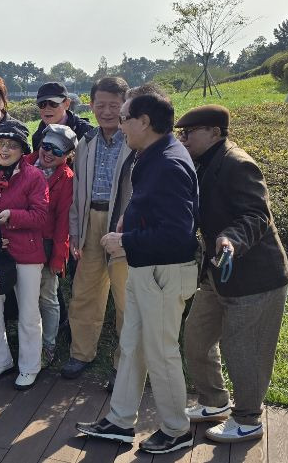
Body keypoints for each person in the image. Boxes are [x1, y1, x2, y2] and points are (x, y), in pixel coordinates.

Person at [75, 94, 199, 454]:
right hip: (147, 269)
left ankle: (176, 430)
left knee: (161, 353)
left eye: (125, 117)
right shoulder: (154, 155)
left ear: (144, 122)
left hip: (163, 272)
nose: (120, 124)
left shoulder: (169, 163)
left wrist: (125, 240)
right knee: (132, 346)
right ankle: (120, 420)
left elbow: (178, 234)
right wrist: (129, 227)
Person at [176, 105, 288, 443]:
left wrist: (231, 239)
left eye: (189, 132)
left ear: (215, 132)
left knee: (244, 350)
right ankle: (214, 402)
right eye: (181, 133)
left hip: (255, 277)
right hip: (218, 274)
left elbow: (257, 215)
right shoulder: (200, 161)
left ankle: (248, 418)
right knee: (196, 338)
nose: (184, 139)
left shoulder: (238, 164)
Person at [63, 77, 132, 380]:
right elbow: (77, 191)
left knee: (126, 297)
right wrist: (75, 232)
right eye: (100, 105)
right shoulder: (86, 142)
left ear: (125, 106)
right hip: (91, 220)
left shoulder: (134, 140)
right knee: (85, 292)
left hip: (123, 223)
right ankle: (81, 353)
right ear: (90, 105)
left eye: (114, 105)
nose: (106, 112)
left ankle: (125, 362)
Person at [0, 125, 49, 391]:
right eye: (1, 144)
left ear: (22, 150)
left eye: (13, 145)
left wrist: (11, 216)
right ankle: (0, 360)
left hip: (26, 253)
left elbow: (41, 215)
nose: (5, 150)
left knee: (28, 312)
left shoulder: (34, 176)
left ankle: (30, 366)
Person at [22, 125, 77, 367]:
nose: (49, 153)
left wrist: (58, 257)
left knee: (48, 297)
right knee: (24, 297)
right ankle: (27, 342)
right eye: (47, 145)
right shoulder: (23, 163)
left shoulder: (66, 178)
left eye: (58, 150)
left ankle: (49, 345)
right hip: (19, 240)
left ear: (68, 155)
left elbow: (64, 221)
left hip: (45, 244)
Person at [31, 82, 93, 149]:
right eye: (42, 104)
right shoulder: (37, 137)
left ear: (67, 104)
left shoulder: (85, 132)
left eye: (53, 103)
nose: (47, 108)